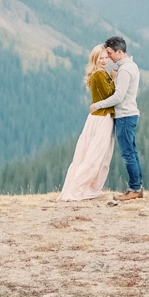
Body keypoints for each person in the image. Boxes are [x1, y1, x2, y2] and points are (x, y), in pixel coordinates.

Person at [59, 45, 117, 201]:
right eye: (101, 58)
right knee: (96, 155)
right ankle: (79, 189)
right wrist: (113, 79)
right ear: (95, 59)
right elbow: (110, 95)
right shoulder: (100, 74)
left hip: (95, 118)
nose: (104, 61)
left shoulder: (97, 73)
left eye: (106, 57)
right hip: (102, 118)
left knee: (88, 153)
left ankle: (81, 188)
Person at [91, 35, 142, 201]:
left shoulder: (125, 70)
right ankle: (137, 187)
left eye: (110, 53)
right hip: (129, 114)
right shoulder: (130, 66)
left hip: (125, 116)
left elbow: (118, 96)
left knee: (128, 154)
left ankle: (135, 189)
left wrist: (98, 105)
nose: (109, 57)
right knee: (131, 152)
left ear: (119, 52)